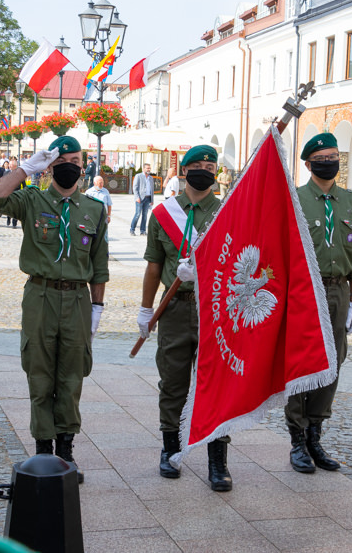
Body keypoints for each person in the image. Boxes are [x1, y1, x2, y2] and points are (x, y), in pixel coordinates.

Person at [0, 136, 109, 483]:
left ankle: (65, 452)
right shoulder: (31, 200)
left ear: (84, 167)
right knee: (39, 374)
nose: (72, 166)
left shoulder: (94, 209)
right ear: (51, 166)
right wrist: (25, 168)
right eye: (64, 160)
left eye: (77, 161)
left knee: (72, 376)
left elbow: (99, 265)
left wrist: (97, 308)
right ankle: (42, 451)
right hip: (40, 296)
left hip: (78, 300)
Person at [137, 144, 232, 491]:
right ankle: (170, 450)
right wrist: (146, 310)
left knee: (217, 384)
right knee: (173, 382)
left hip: (216, 309)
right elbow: (153, 266)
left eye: (211, 165)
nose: (205, 170)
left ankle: (217, 460)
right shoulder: (163, 215)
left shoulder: (228, 212)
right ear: (185, 170)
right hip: (175, 307)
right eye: (199, 164)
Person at [285, 132, 352, 475]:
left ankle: (316, 434)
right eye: (323, 158)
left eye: (334, 156)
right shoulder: (295, 199)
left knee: (332, 364)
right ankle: (298, 440)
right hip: (303, 292)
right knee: (301, 364)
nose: (330, 162)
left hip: (338, 292)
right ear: (308, 164)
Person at [130, 163, 154, 236]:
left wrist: (152, 200)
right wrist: (137, 197)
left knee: (145, 215)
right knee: (137, 214)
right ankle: (132, 229)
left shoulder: (151, 178)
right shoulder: (138, 176)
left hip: (148, 198)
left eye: (149, 168)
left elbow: (152, 189)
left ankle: (142, 231)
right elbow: (135, 187)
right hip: (140, 198)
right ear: (143, 169)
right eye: (147, 168)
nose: (148, 169)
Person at [6, 160, 21, 228]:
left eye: (11, 165)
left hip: (16, 193)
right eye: (9, 164)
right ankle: (8, 218)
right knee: (9, 207)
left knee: (16, 208)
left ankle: (14, 223)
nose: (9, 166)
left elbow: (23, 184)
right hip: (7, 193)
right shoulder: (6, 172)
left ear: (15, 166)